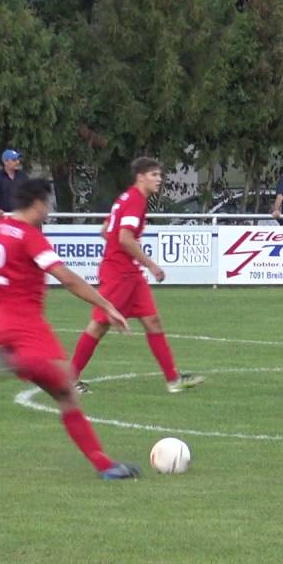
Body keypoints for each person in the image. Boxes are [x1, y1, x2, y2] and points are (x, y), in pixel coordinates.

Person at [0, 178, 141, 480]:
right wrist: (105, 305)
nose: (48, 211)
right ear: (37, 204)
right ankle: (15, 362)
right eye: (47, 205)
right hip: (27, 325)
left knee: (66, 394)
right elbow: (66, 278)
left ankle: (105, 466)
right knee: (64, 384)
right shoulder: (29, 237)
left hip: (0, 322)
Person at [71, 157, 204, 394]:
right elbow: (124, 237)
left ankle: (173, 380)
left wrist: (125, 252)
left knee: (153, 321)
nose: (159, 180)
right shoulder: (135, 201)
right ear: (141, 177)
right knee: (99, 325)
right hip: (119, 274)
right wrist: (152, 265)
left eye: (160, 175)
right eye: (154, 175)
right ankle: (69, 379)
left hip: (129, 273)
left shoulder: (126, 198)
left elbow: (106, 231)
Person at [0, 148, 25, 217]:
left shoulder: (22, 176)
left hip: (20, 217)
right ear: (5, 162)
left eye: (18, 160)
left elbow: (29, 195)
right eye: (14, 160)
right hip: (3, 218)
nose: (18, 162)